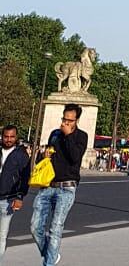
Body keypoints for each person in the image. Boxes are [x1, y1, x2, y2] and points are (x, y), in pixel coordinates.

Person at [30, 103, 88, 266]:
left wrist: (68, 135)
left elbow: (75, 157)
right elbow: (46, 158)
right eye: (64, 119)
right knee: (35, 227)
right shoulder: (54, 134)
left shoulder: (81, 136)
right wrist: (43, 156)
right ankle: (51, 255)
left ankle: (48, 263)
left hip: (66, 188)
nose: (66, 122)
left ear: (76, 120)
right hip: (48, 185)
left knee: (55, 228)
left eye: (70, 120)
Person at [0, 125, 30, 261]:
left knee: (1, 236)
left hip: (8, 200)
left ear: (16, 137)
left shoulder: (21, 155)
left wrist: (20, 196)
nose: (8, 139)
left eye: (12, 137)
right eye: (6, 136)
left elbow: (25, 178)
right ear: (2, 136)